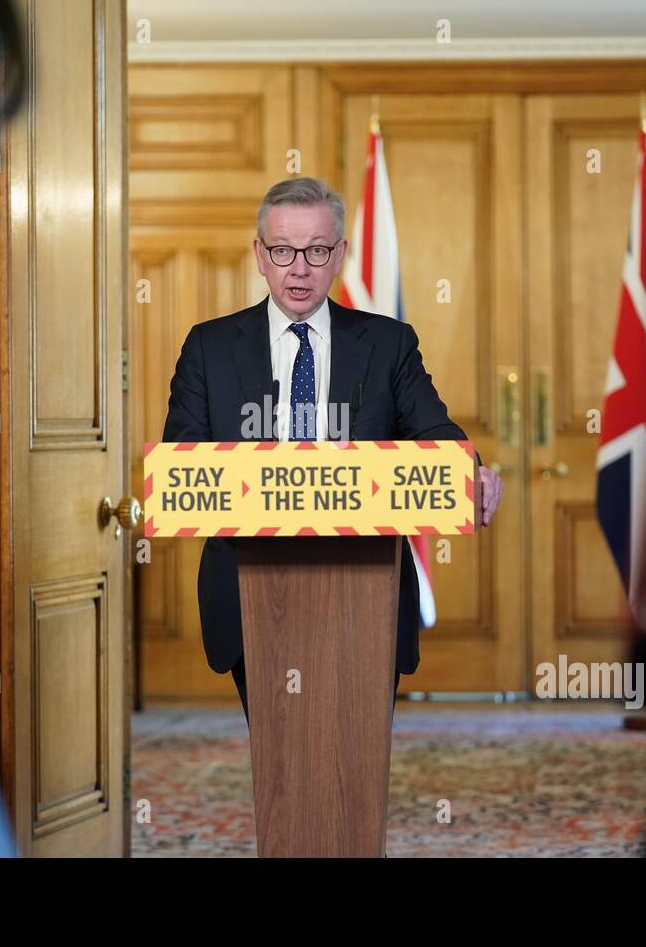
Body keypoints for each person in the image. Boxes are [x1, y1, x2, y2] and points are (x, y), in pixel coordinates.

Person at [162, 177, 503, 722]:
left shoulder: (389, 343)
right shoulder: (208, 346)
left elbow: (433, 431)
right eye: (283, 251)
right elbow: (182, 461)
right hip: (252, 590)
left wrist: (473, 472)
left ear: (339, 254)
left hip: (366, 589)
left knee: (357, 767)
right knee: (282, 768)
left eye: (317, 250)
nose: (299, 267)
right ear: (260, 255)